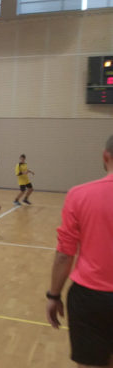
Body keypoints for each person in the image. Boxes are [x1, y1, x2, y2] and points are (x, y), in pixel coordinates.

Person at [46, 134, 113, 368]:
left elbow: (65, 254)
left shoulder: (79, 194)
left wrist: (53, 295)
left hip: (90, 298)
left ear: (105, 156)